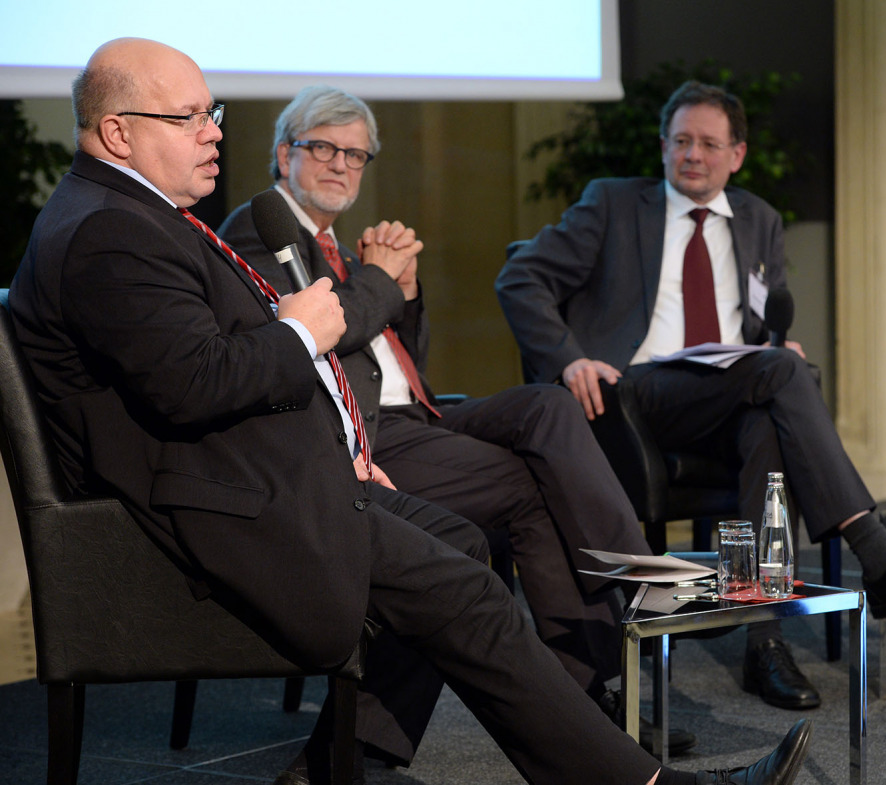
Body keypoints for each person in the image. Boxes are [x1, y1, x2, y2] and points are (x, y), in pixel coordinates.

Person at [9, 37, 813, 785]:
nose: (212, 132)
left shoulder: (132, 216)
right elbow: (196, 384)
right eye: (189, 117)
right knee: (467, 589)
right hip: (225, 508)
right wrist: (305, 329)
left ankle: (347, 756)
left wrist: (336, 396)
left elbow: (244, 371)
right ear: (116, 131)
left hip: (262, 473)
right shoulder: (113, 230)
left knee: (465, 535)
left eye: (211, 113)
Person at [218, 85, 693, 757]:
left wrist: (403, 291)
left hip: (420, 415)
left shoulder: (339, 248)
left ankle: (632, 597)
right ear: (282, 152)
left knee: (549, 404)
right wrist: (380, 280)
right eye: (323, 147)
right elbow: (314, 342)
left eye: (357, 155)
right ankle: (593, 680)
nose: (341, 165)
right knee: (532, 484)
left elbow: (402, 359)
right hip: (364, 439)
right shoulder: (260, 227)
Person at [496, 80, 886, 711]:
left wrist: (778, 347)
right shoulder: (613, 205)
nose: (692, 154)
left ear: (737, 154)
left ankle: (765, 643)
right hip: (634, 396)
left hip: (726, 394)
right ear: (663, 147)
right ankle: (876, 550)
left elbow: (760, 324)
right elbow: (520, 277)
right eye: (680, 141)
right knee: (780, 377)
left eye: (707, 143)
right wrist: (567, 359)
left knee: (769, 422)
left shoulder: (760, 219)